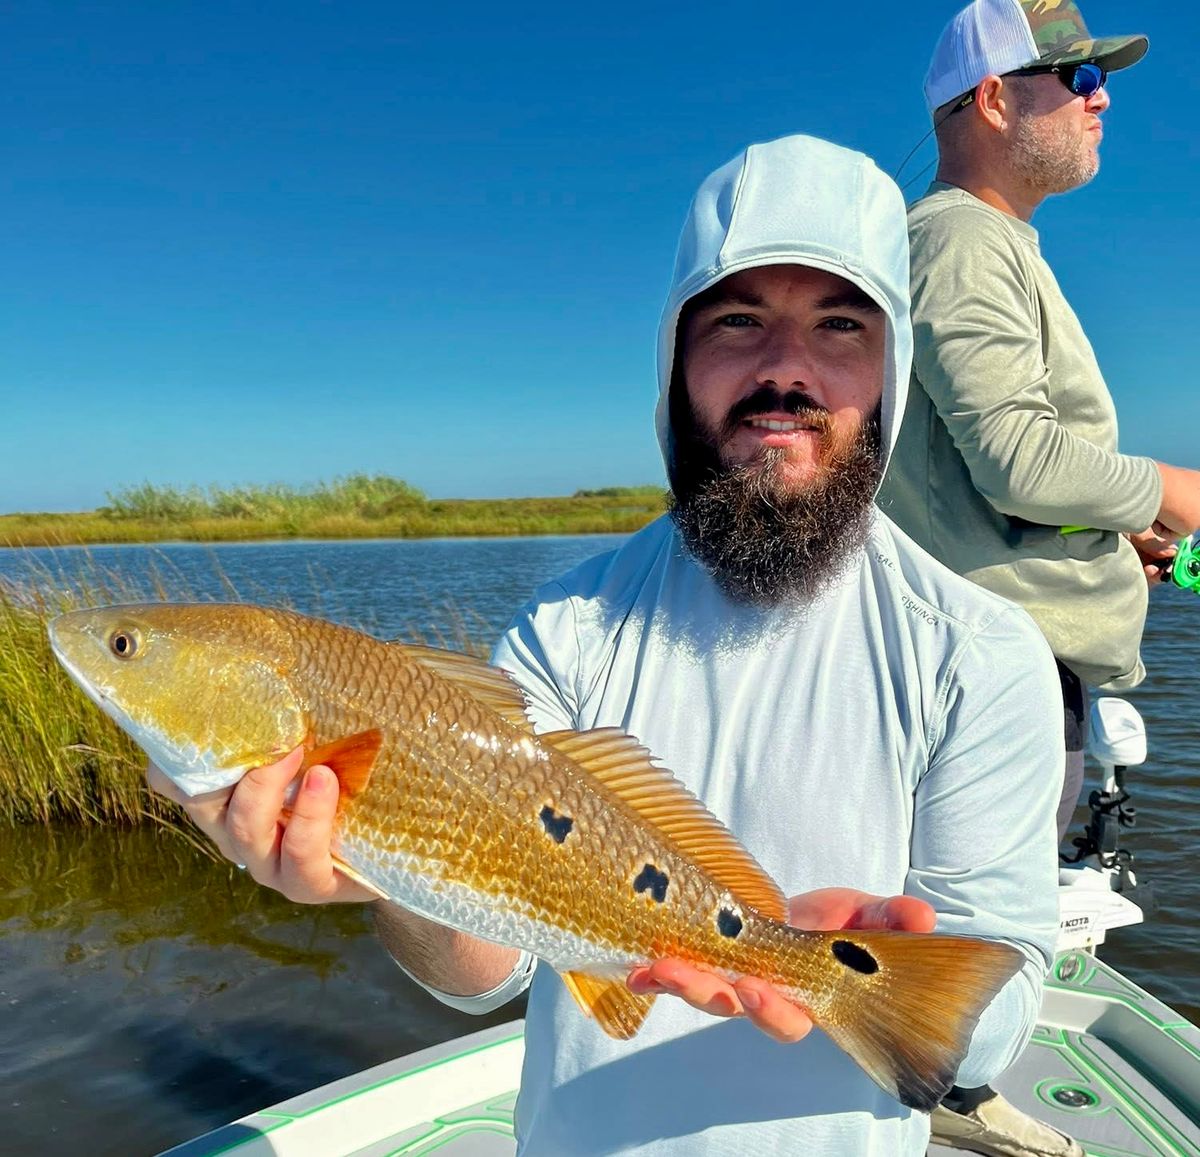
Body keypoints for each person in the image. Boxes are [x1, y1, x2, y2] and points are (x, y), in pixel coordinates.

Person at [151, 134, 1062, 1156]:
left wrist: (868, 968)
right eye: (737, 320)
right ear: (676, 363)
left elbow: (989, 1027)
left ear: (889, 368)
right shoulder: (566, 623)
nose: (784, 369)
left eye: (841, 325)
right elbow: (480, 969)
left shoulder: (978, 652)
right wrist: (380, 871)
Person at [878, 2, 1200, 1153]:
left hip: (1021, 647)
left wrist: (1122, 540)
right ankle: (939, 1093)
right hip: (1003, 659)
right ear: (993, 99)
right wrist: (1173, 488)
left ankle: (940, 1086)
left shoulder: (992, 242)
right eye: (1072, 74)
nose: (1101, 96)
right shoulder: (960, 236)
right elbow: (1018, 454)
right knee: (983, 912)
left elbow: (988, 478)